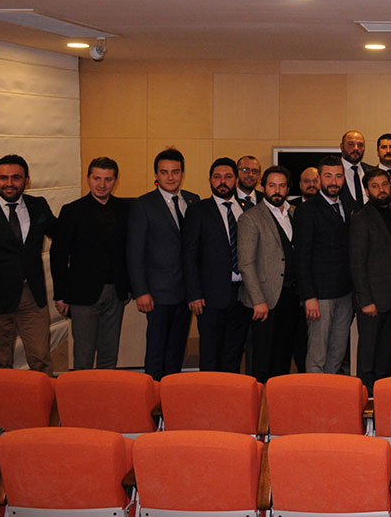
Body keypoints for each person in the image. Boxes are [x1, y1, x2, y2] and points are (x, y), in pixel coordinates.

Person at [0, 154, 57, 373]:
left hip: (32, 297)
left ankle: (41, 396)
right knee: (0, 364)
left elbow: (62, 235)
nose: (9, 183)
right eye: (3, 178)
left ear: (27, 180)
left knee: (41, 360)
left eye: (16, 177)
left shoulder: (38, 206)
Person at [50, 157, 130, 370]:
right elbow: (59, 256)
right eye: (97, 178)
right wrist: (60, 294)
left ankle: (105, 391)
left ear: (115, 181)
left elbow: (129, 251)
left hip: (116, 292)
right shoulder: (72, 211)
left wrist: (129, 286)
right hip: (81, 295)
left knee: (109, 354)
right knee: (83, 356)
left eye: (108, 179)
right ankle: (81, 392)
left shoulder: (124, 210)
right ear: (88, 179)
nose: (102, 184)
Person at [127, 147, 200, 380]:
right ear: (156, 174)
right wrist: (141, 291)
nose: (170, 177)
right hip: (158, 293)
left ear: (182, 173)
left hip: (186, 292)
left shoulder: (193, 200)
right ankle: (153, 395)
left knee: (177, 349)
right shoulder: (143, 204)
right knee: (157, 350)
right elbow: (134, 252)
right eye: (164, 172)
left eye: (175, 172)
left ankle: (171, 392)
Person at [183, 157, 251, 373]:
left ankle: (232, 393)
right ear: (210, 180)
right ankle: (209, 394)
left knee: (234, 353)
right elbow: (189, 255)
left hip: (243, 295)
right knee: (210, 355)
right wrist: (194, 294)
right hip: (210, 298)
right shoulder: (198, 210)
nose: (222, 181)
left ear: (236, 180)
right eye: (217, 177)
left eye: (228, 177)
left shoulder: (248, 210)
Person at [237, 165, 300, 382]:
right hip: (264, 300)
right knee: (262, 359)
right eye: (272, 185)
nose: (277, 190)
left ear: (288, 189)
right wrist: (258, 300)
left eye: (282, 186)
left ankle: (278, 398)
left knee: (284, 355)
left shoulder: (295, 213)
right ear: (263, 187)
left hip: (292, 297)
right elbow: (246, 263)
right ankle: (260, 401)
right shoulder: (251, 218)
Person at [349, 168, 391, 391]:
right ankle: (365, 399)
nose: (381, 190)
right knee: (368, 357)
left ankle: (382, 397)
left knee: (387, 354)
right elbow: (357, 263)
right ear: (366, 190)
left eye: (384, 184)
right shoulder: (361, 219)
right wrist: (365, 300)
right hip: (372, 300)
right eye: (375, 186)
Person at [295, 155, 353, 374]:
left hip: (345, 292)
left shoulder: (348, 206)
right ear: (319, 179)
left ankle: (331, 392)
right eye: (328, 176)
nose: (334, 182)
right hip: (319, 296)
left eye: (338, 176)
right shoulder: (307, 210)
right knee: (317, 354)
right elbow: (302, 256)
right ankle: (314, 393)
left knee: (337, 351)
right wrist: (309, 296)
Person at [338, 130, 373, 212]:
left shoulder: (371, 172)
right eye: (351, 144)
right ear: (342, 147)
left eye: (360, 145)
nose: (356, 148)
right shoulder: (333, 173)